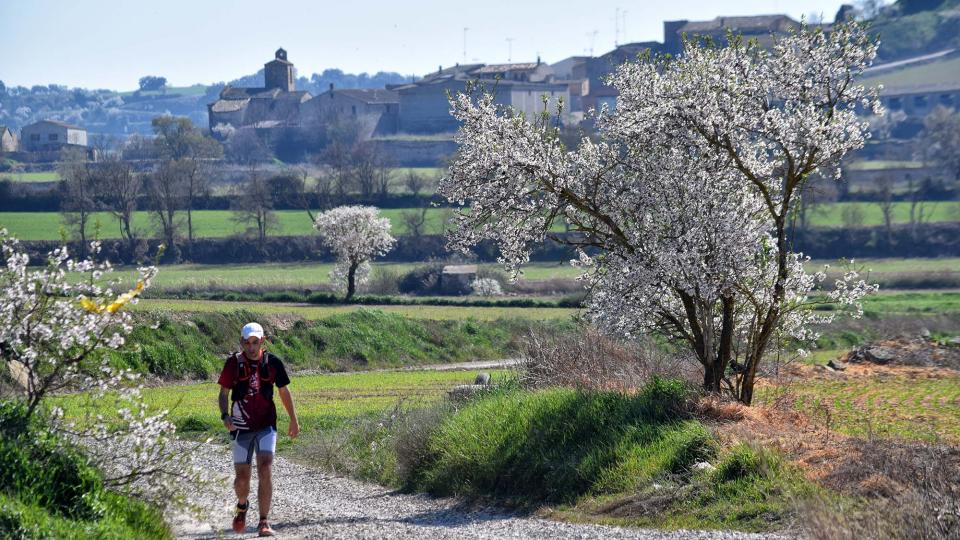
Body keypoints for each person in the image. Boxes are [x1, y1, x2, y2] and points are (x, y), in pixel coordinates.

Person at [218, 322, 300, 537]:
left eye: (255, 342)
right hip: (240, 426)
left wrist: (293, 419)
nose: (251, 347)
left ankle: (264, 521)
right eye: (247, 343)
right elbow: (224, 393)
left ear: (262, 341)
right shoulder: (233, 364)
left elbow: (283, 391)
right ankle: (242, 505)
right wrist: (225, 415)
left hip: (266, 425)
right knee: (242, 479)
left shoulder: (273, 363)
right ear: (242, 342)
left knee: (265, 467)